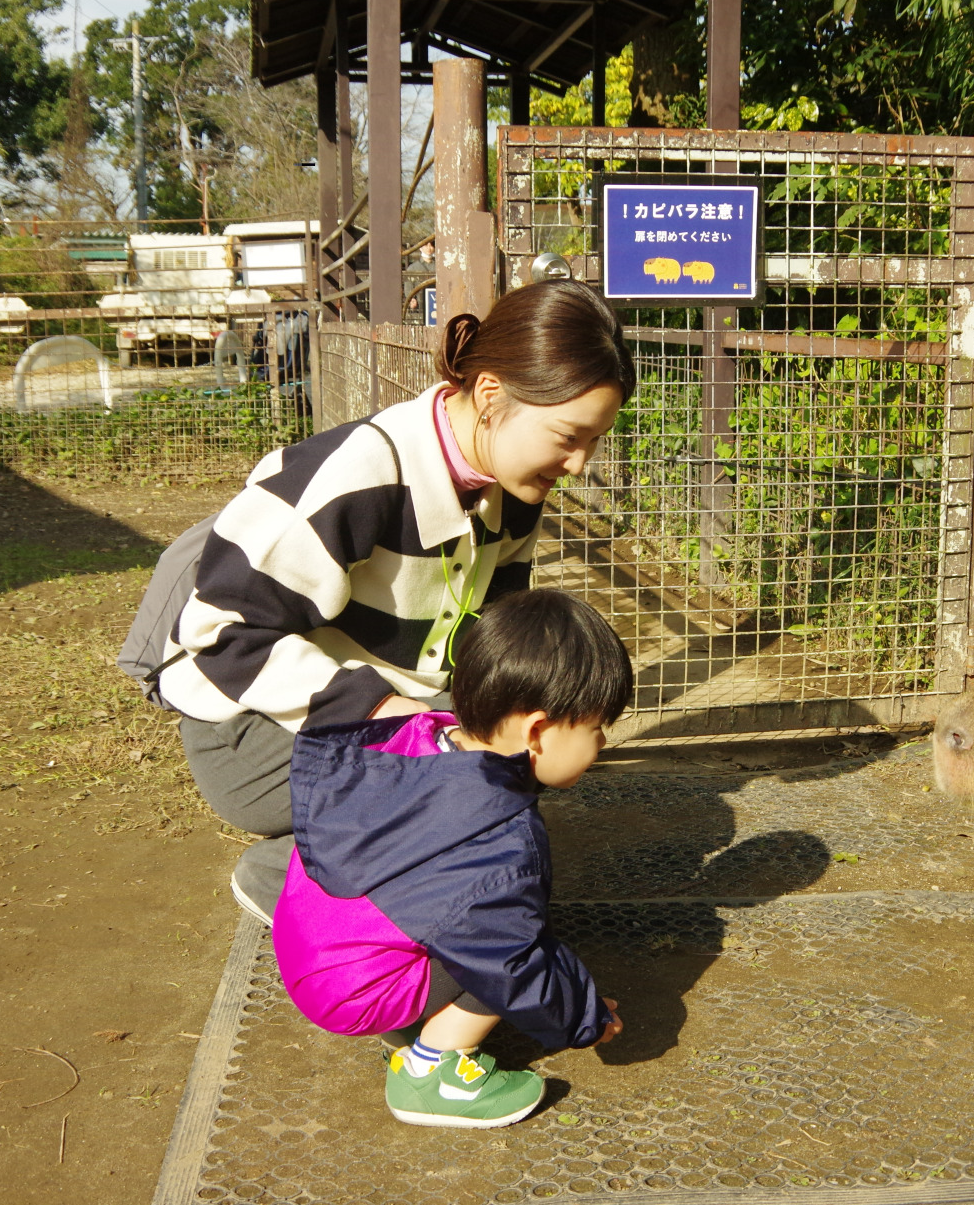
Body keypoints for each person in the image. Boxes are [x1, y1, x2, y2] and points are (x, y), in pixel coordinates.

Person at [154, 280, 635, 923]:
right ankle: (289, 883)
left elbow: (487, 643)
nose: (579, 463)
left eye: (594, 440)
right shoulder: (360, 475)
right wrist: (398, 717)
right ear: (490, 394)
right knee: (466, 771)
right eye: (568, 436)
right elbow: (219, 634)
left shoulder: (514, 490)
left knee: (510, 746)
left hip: (375, 708)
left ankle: (393, 866)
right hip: (249, 733)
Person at [275, 589, 630, 1128]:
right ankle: (431, 1074)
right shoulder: (498, 844)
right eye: (597, 729)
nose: (601, 744)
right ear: (536, 731)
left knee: (491, 918)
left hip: (309, 942)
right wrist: (584, 1014)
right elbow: (510, 963)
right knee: (518, 943)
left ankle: (408, 1002)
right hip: (355, 990)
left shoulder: (412, 735)